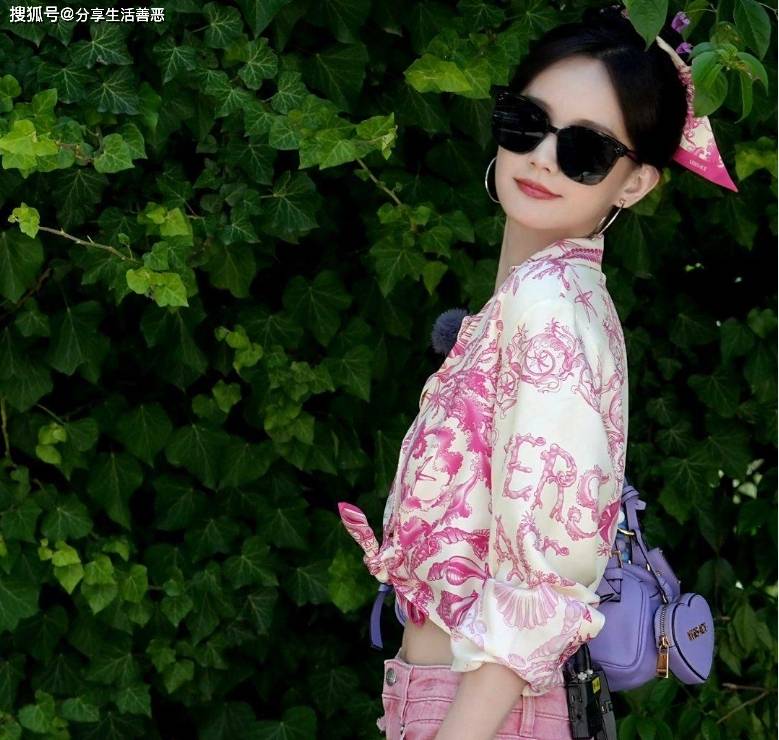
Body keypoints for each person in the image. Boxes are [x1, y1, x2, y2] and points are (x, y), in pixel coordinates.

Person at [338, 5, 705, 738]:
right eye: (526, 123)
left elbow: (547, 578)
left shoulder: (550, 308)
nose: (541, 157)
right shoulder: (546, 296)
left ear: (633, 184)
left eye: (585, 151)